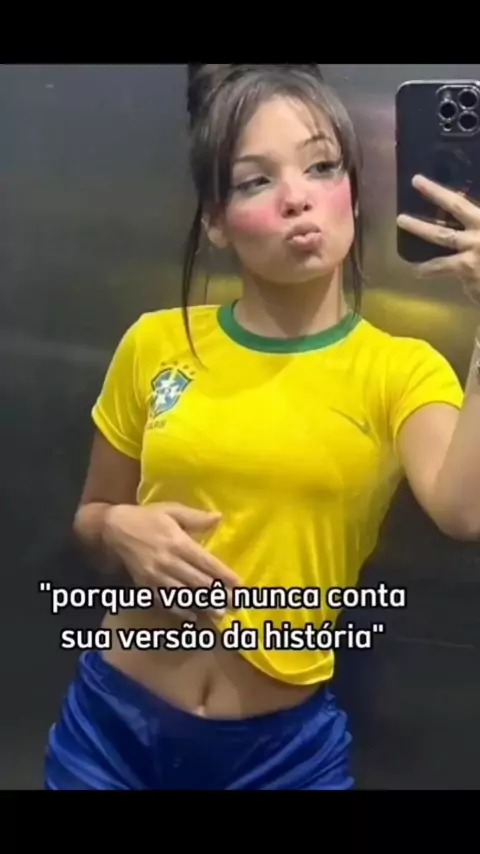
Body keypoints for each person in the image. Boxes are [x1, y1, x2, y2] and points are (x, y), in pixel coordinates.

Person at [44, 63, 480, 790]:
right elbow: (90, 521)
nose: (296, 198)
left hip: (281, 759)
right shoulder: (154, 343)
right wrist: (118, 527)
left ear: (353, 190)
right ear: (215, 221)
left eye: (321, 166)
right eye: (255, 181)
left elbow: (466, 512)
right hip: (111, 733)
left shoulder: (400, 369)